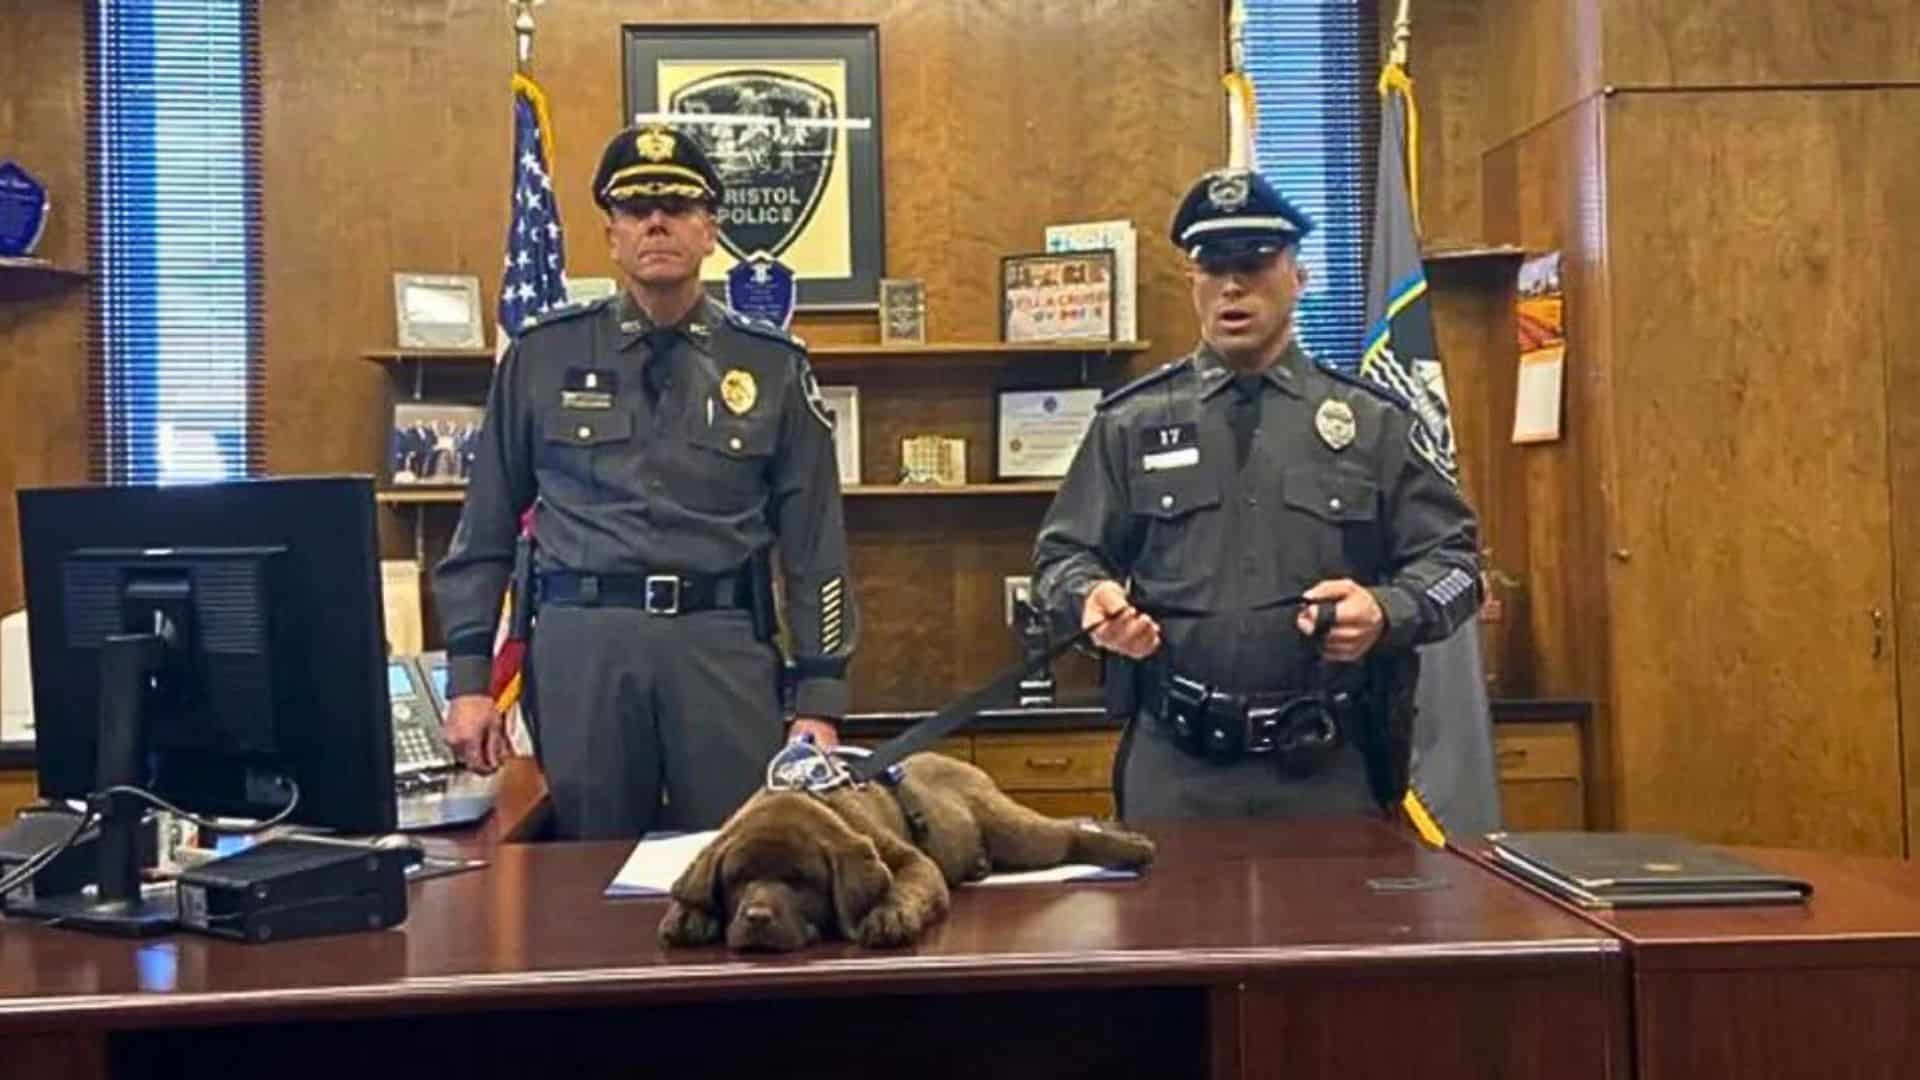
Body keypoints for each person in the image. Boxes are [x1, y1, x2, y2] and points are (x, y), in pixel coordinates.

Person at [433, 123, 857, 840]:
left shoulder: (772, 365)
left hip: (720, 647)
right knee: (587, 874)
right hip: (584, 649)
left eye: (678, 206)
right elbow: (483, 531)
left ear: (710, 230)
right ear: (612, 234)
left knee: (736, 861)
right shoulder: (542, 357)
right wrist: (470, 680)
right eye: (635, 209)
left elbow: (818, 551)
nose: (655, 222)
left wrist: (821, 697)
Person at [1031, 167, 1480, 820]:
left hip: (1328, 771)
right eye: (1212, 267)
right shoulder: (1133, 422)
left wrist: (1387, 609)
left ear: (1299, 276)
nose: (1233, 286)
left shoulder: (1373, 422)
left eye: (1254, 262)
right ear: (1192, 282)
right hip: (1175, 770)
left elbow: (1458, 569)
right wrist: (1090, 600)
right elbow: (1060, 561)